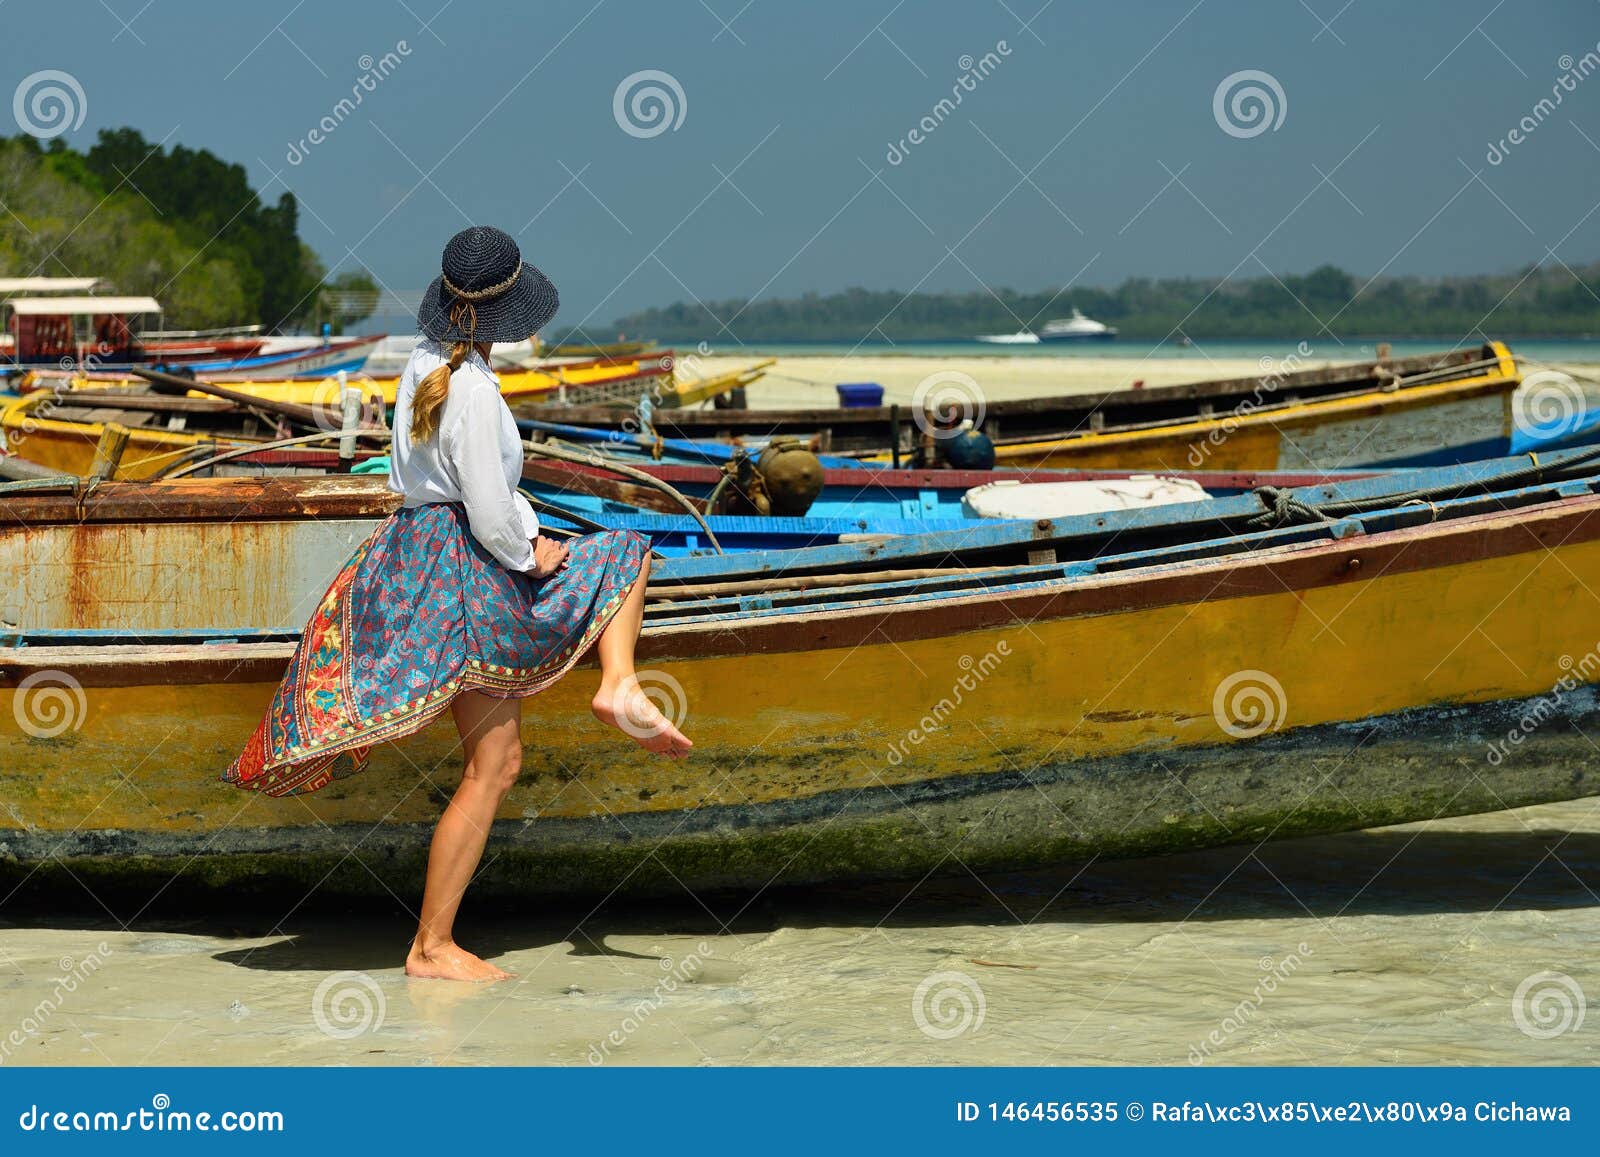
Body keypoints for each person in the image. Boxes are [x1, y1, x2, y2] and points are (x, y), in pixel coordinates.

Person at [225, 225, 691, 982]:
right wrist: (531, 550)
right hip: (465, 571)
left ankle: (435, 942)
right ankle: (617, 684)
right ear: (507, 316)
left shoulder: (423, 366)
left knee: (497, 761)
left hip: (416, 560)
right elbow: (489, 508)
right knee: (624, 553)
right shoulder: (472, 388)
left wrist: (516, 531)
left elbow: (452, 488)